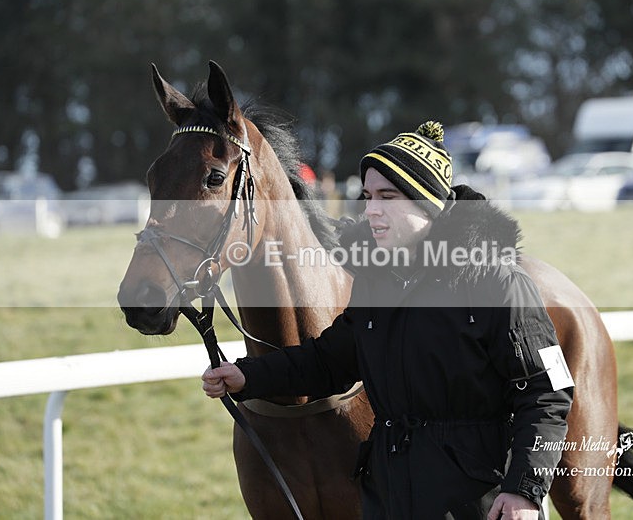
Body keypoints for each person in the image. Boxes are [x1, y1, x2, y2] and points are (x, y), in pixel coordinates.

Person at [202, 121, 574, 519]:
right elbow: (330, 360)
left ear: (427, 203)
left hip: (477, 501)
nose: (371, 211)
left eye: (387, 196)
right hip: (390, 496)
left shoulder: (499, 283)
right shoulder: (376, 281)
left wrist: (524, 492)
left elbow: (548, 393)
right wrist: (248, 376)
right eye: (367, 196)